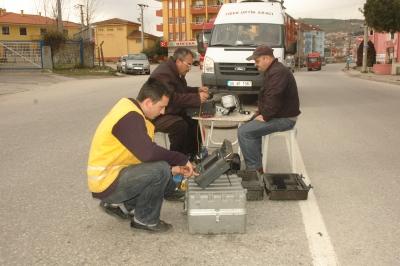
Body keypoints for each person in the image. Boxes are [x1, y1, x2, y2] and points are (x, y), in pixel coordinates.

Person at [87, 78, 196, 233]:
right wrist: (181, 158)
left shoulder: (132, 111)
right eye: (161, 107)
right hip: (107, 183)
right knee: (160, 169)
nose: (163, 112)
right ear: (148, 103)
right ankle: (145, 220)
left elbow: (141, 157)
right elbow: (148, 153)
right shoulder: (130, 118)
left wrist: (174, 169)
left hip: (113, 175)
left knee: (162, 169)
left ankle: (123, 206)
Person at [238, 45, 301, 173]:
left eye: (257, 61)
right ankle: (256, 164)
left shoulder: (278, 72)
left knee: (244, 132)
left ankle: (254, 170)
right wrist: (259, 114)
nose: (256, 65)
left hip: (285, 119)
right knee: (248, 126)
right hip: (279, 115)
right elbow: (268, 97)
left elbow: (274, 98)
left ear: (266, 58)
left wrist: (265, 116)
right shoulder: (273, 71)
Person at [150, 47, 209, 159]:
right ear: (178, 61)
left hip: (168, 110)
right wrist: (196, 98)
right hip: (155, 114)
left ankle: (194, 154)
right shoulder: (163, 74)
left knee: (193, 118)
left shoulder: (174, 71)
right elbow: (171, 98)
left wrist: (197, 90)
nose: (190, 68)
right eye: (188, 64)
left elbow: (182, 90)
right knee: (179, 125)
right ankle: (176, 161)